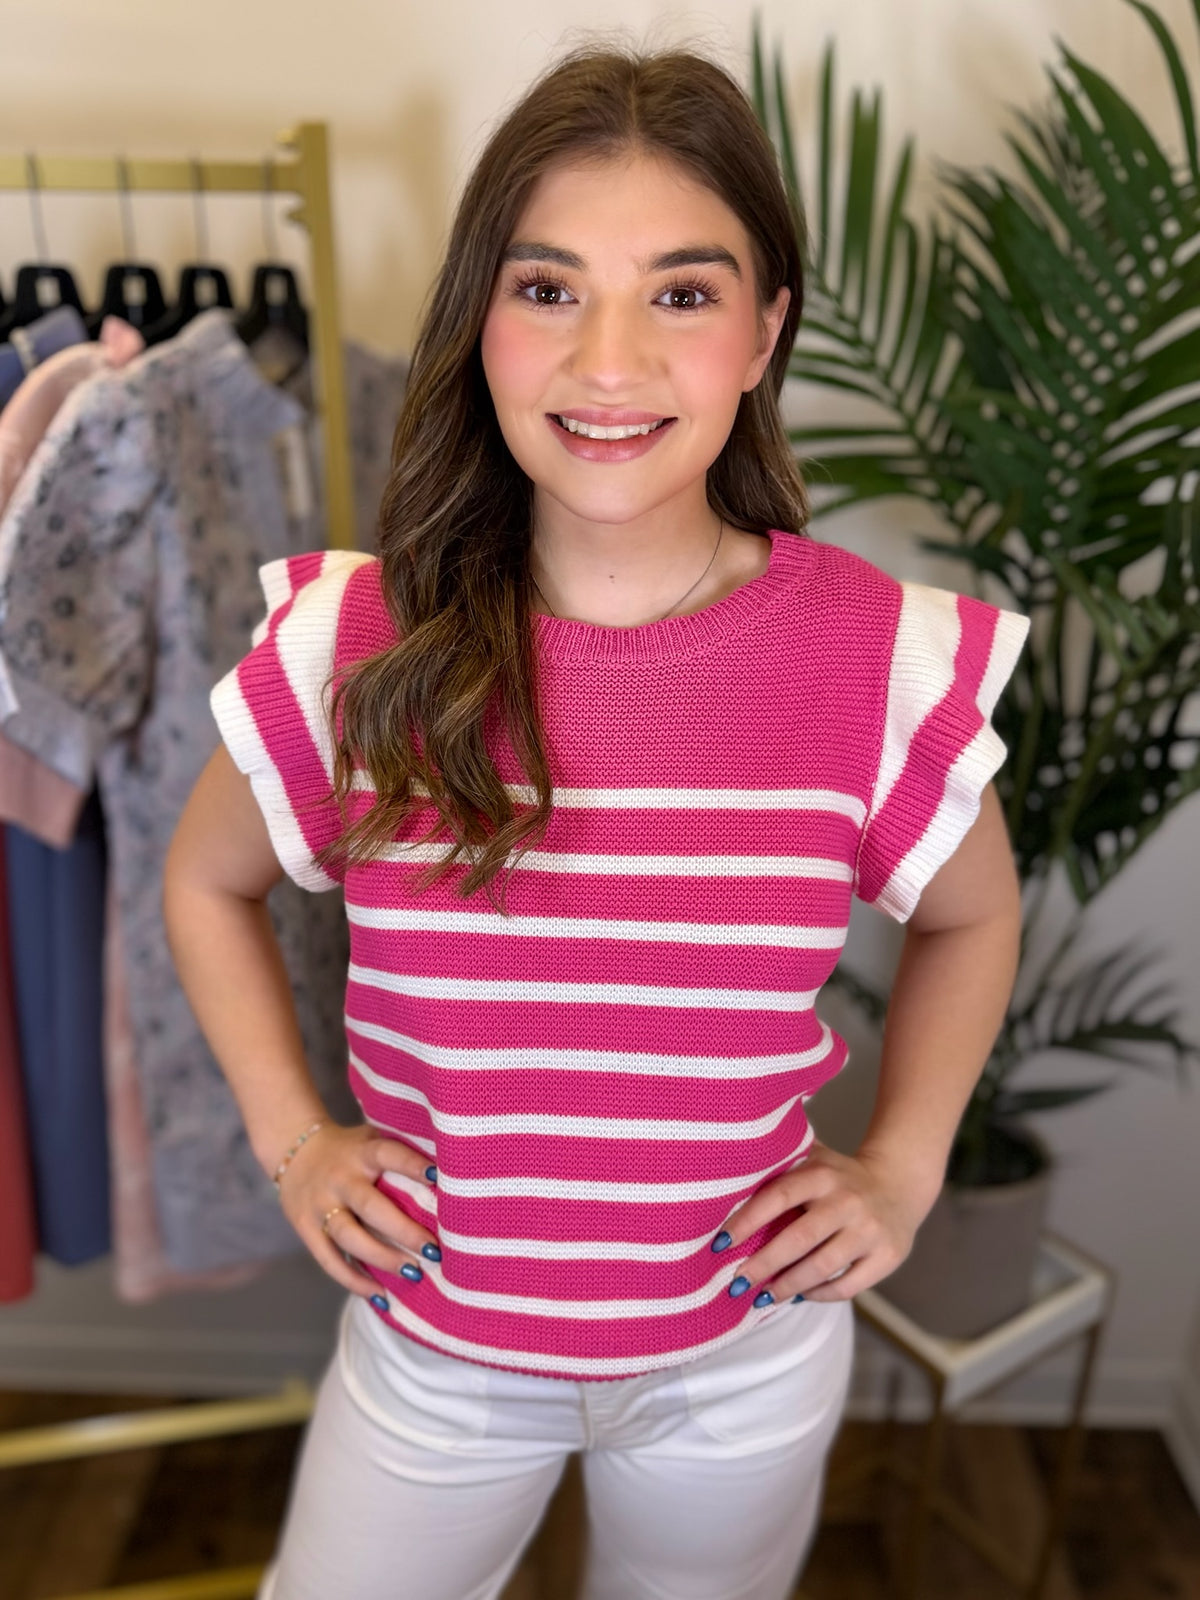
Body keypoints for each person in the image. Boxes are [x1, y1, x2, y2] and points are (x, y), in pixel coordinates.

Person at [163, 38, 1030, 1600]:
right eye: (548, 287)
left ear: (766, 332)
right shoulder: (355, 645)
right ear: (479, 321)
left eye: (682, 295)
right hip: (437, 1356)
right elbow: (204, 883)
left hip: (741, 1364)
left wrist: (899, 1168)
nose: (607, 363)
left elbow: (974, 911)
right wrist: (296, 1145)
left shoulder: (870, 656)